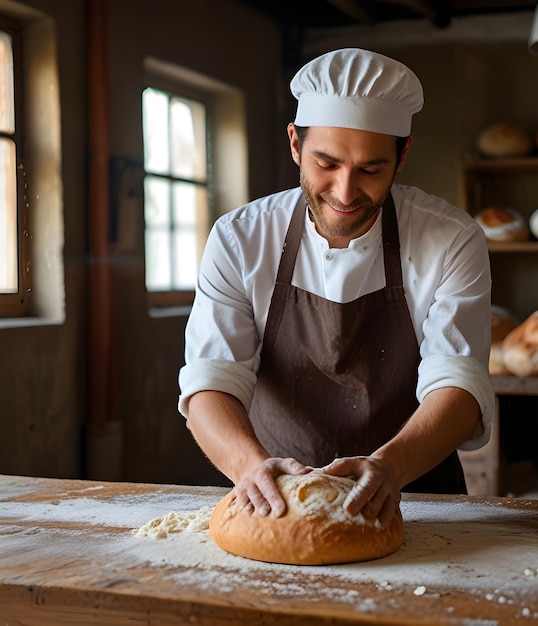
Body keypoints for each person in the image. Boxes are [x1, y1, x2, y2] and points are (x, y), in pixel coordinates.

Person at [179, 48, 495, 527]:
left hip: (417, 499)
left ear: (402, 155)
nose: (345, 193)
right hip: (278, 500)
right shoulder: (240, 238)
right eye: (326, 163)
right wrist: (249, 468)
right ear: (294, 145)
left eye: (371, 169)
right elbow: (211, 378)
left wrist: (391, 468)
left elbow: (459, 380)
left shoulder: (450, 239)